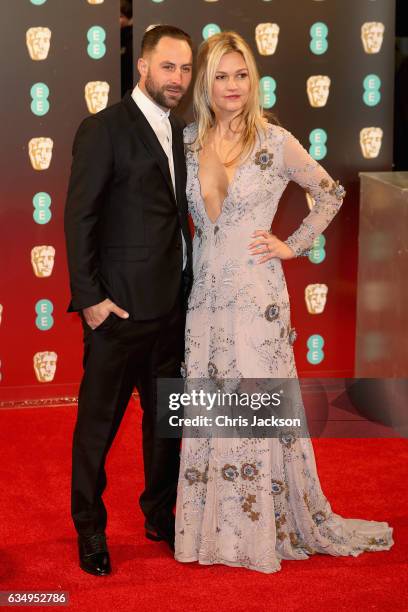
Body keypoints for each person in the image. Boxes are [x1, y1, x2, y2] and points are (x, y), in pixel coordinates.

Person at [174, 31, 393, 574]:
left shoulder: (276, 141)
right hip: (204, 297)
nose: (231, 86)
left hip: (256, 296)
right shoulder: (187, 143)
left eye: (241, 74)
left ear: (254, 80)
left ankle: (258, 529)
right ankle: (213, 531)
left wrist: (289, 245)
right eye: (221, 75)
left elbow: (330, 192)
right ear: (206, 82)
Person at [64, 25, 193, 576]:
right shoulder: (104, 129)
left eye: (186, 69)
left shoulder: (182, 129)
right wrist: (90, 300)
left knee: (166, 424)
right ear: (142, 66)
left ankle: (159, 515)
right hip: (116, 314)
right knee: (98, 427)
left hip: (172, 308)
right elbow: (80, 217)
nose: (179, 79)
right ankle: (90, 529)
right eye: (168, 67)